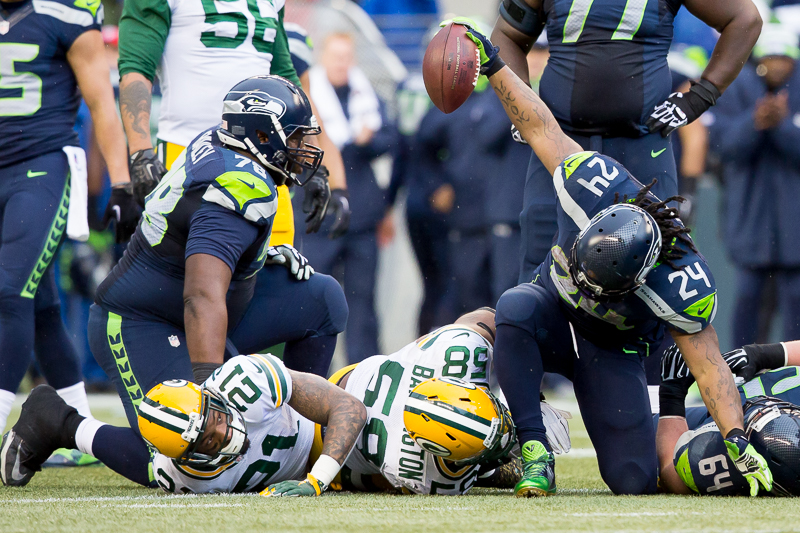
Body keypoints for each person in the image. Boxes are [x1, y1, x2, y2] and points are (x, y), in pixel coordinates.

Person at [448, 20, 773, 497]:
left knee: (633, 479)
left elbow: (710, 369)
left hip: (611, 348)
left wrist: (738, 440)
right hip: (552, 315)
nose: (589, 285)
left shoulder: (679, 281)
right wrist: (496, 64)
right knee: (516, 305)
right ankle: (533, 451)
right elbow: (539, 124)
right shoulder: (590, 182)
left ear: (644, 276)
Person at [8, 76, 345, 488]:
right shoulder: (239, 183)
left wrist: (258, 258)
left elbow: (203, 245)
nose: (302, 149)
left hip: (208, 305)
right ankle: (58, 421)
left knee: (321, 299)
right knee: (188, 459)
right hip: (142, 319)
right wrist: (209, 388)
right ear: (261, 134)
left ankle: (299, 429)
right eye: (293, 138)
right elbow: (201, 294)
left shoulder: (228, 149)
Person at [490, 0, 762, 281]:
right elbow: (507, 35)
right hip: (559, 144)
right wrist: (522, 104)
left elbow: (745, 19)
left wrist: (701, 95)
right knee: (543, 269)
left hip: (641, 146)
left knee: (654, 272)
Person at [0, 0, 136, 440]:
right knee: (40, 304)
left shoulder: (67, 15)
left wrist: (122, 183)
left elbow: (101, 103)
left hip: (40, 167)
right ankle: (78, 424)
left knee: (10, 290)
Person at [116, 0, 348, 243]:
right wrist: (140, 152)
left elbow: (285, 79)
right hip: (186, 152)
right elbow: (136, 68)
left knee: (275, 270)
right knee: (188, 271)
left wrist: (312, 164)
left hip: (266, 161)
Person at [1, 352, 367, 496]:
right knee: (152, 467)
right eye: (208, 442)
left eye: (217, 421)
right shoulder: (183, 476)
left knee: (323, 301)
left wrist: (316, 481)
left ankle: (60, 421)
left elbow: (347, 407)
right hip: (130, 317)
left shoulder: (247, 382)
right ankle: (60, 423)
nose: (225, 436)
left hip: (315, 435)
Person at [329, 308, 571, 494]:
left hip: (348, 381)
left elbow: (495, 317)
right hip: (327, 448)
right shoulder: (434, 480)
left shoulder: (458, 348)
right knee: (506, 472)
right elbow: (379, 481)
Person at [298, 33, 397, 363]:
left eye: (346, 56)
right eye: (335, 56)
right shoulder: (307, 95)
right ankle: (307, 372)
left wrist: (364, 142)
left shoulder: (366, 94)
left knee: (363, 302)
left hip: (362, 215)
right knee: (310, 298)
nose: (341, 63)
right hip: (318, 215)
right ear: (323, 58)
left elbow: (391, 138)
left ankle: (364, 373)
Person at [706, 24, 800, 347]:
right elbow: (722, 148)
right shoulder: (736, 89)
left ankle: (796, 380)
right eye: (769, 58)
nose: (776, 66)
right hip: (750, 224)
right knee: (747, 299)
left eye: (784, 59)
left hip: (795, 227)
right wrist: (756, 121)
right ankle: (742, 373)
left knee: (797, 302)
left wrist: (782, 126)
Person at [656, 341, 800, 496]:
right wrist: (766, 354)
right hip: (738, 404)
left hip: (729, 427)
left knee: (635, 472)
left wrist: (672, 397)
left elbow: (674, 475)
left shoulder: (780, 442)